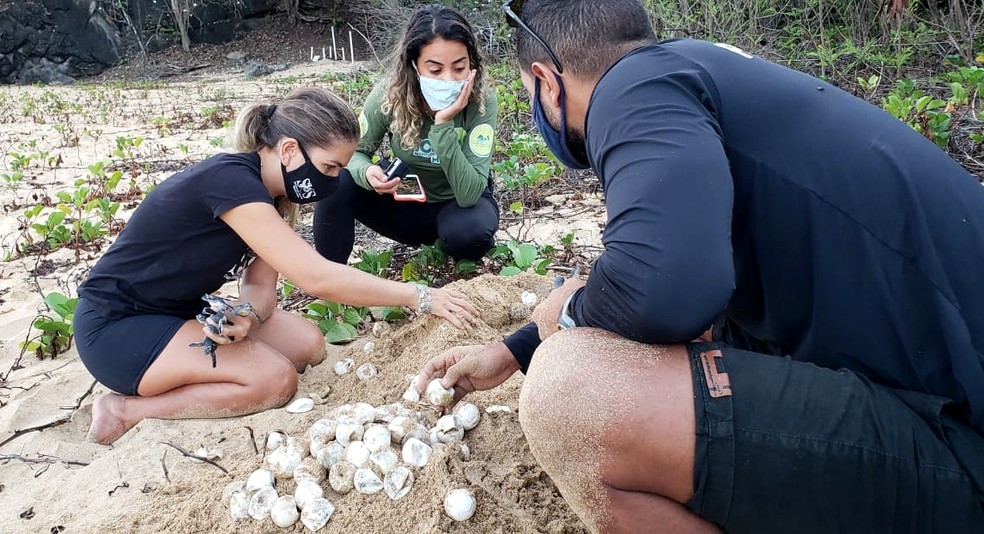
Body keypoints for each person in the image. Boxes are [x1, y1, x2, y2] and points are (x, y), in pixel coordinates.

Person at [416, 0, 984, 532]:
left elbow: (666, 287)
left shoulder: (632, 90)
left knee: (572, 396)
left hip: (962, 447)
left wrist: (563, 322)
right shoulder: (694, 70)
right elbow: (651, 270)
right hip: (935, 397)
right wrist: (516, 350)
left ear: (546, 80)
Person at [76, 87, 477, 446]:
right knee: (274, 380)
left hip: (175, 312)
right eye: (329, 168)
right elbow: (315, 276)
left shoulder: (271, 195)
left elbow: (260, 286)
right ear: (289, 151)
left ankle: (189, 367)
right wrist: (419, 296)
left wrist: (246, 315)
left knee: (307, 344)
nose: (334, 182)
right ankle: (124, 410)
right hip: (116, 327)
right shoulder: (230, 182)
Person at [312, 4, 500, 264]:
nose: (448, 79)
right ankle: (329, 274)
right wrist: (367, 173)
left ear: (472, 64)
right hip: (407, 201)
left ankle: (454, 257)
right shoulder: (389, 95)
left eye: (459, 68)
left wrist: (443, 123)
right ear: (413, 66)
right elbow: (355, 153)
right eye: (435, 70)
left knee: (470, 234)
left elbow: (469, 194)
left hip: (458, 204)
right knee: (335, 182)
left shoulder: (482, 102)